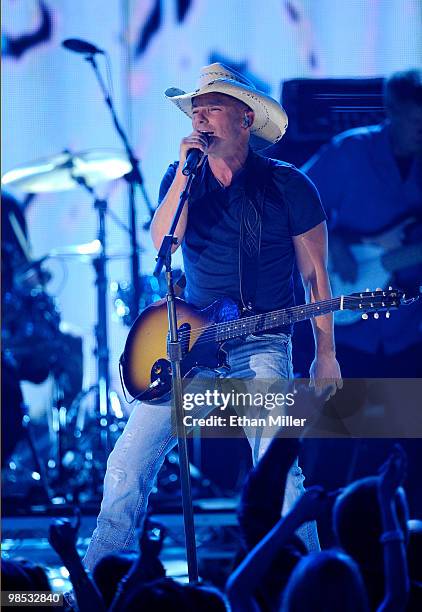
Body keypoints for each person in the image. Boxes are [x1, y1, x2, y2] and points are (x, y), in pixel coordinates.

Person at [83, 63, 341, 571]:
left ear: (245, 119)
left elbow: (316, 278)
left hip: (261, 341)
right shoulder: (184, 178)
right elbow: (163, 244)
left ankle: (308, 582)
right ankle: (96, 575)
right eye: (196, 110)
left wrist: (326, 352)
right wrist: (183, 175)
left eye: (213, 108)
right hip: (189, 343)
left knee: (279, 470)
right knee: (127, 460)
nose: (201, 118)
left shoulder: (289, 186)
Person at [302, 68, 422, 378]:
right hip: (347, 333)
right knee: (339, 421)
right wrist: (336, 242)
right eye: (417, 122)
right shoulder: (351, 151)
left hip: (408, 330)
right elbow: (294, 207)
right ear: (392, 110)